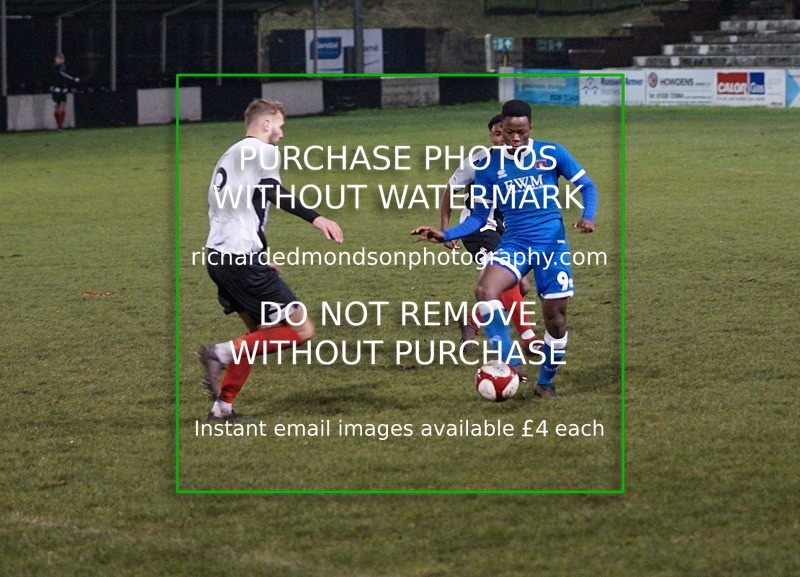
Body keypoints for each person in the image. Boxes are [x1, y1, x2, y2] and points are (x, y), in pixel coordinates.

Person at [413, 99, 598, 399]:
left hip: (552, 245)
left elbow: (587, 186)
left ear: (530, 127)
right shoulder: (488, 167)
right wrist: (445, 233)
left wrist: (588, 216)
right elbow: (476, 217)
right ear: (500, 129)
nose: (514, 139)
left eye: (521, 132)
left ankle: (545, 383)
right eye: (508, 132)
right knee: (485, 290)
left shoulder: (552, 153)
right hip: (516, 243)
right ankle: (510, 361)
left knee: (556, 320)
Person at [197, 99, 344, 420]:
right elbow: (273, 192)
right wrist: (317, 219)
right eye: (280, 125)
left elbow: (241, 207)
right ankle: (219, 353)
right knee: (301, 330)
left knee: (258, 334)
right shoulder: (263, 151)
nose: (281, 133)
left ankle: (223, 407)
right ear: (265, 123)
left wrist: (258, 255)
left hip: (219, 258)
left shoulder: (230, 154)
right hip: (240, 260)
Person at [439, 114, 537, 360]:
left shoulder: (521, 161)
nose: (501, 139)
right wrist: (445, 229)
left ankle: (472, 322)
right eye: (496, 134)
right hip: (478, 231)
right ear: (492, 136)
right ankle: (528, 339)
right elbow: (450, 188)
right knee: (514, 284)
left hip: (504, 232)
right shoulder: (477, 161)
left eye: (504, 133)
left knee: (521, 287)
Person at [50, 54, 79, 131]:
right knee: (58, 108)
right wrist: (73, 79)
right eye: (58, 59)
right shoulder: (60, 67)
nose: (60, 60)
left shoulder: (55, 67)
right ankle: (59, 126)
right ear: (56, 59)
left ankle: (59, 126)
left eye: (61, 59)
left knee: (60, 107)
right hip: (58, 91)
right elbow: (63, 75)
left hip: (58, 90)